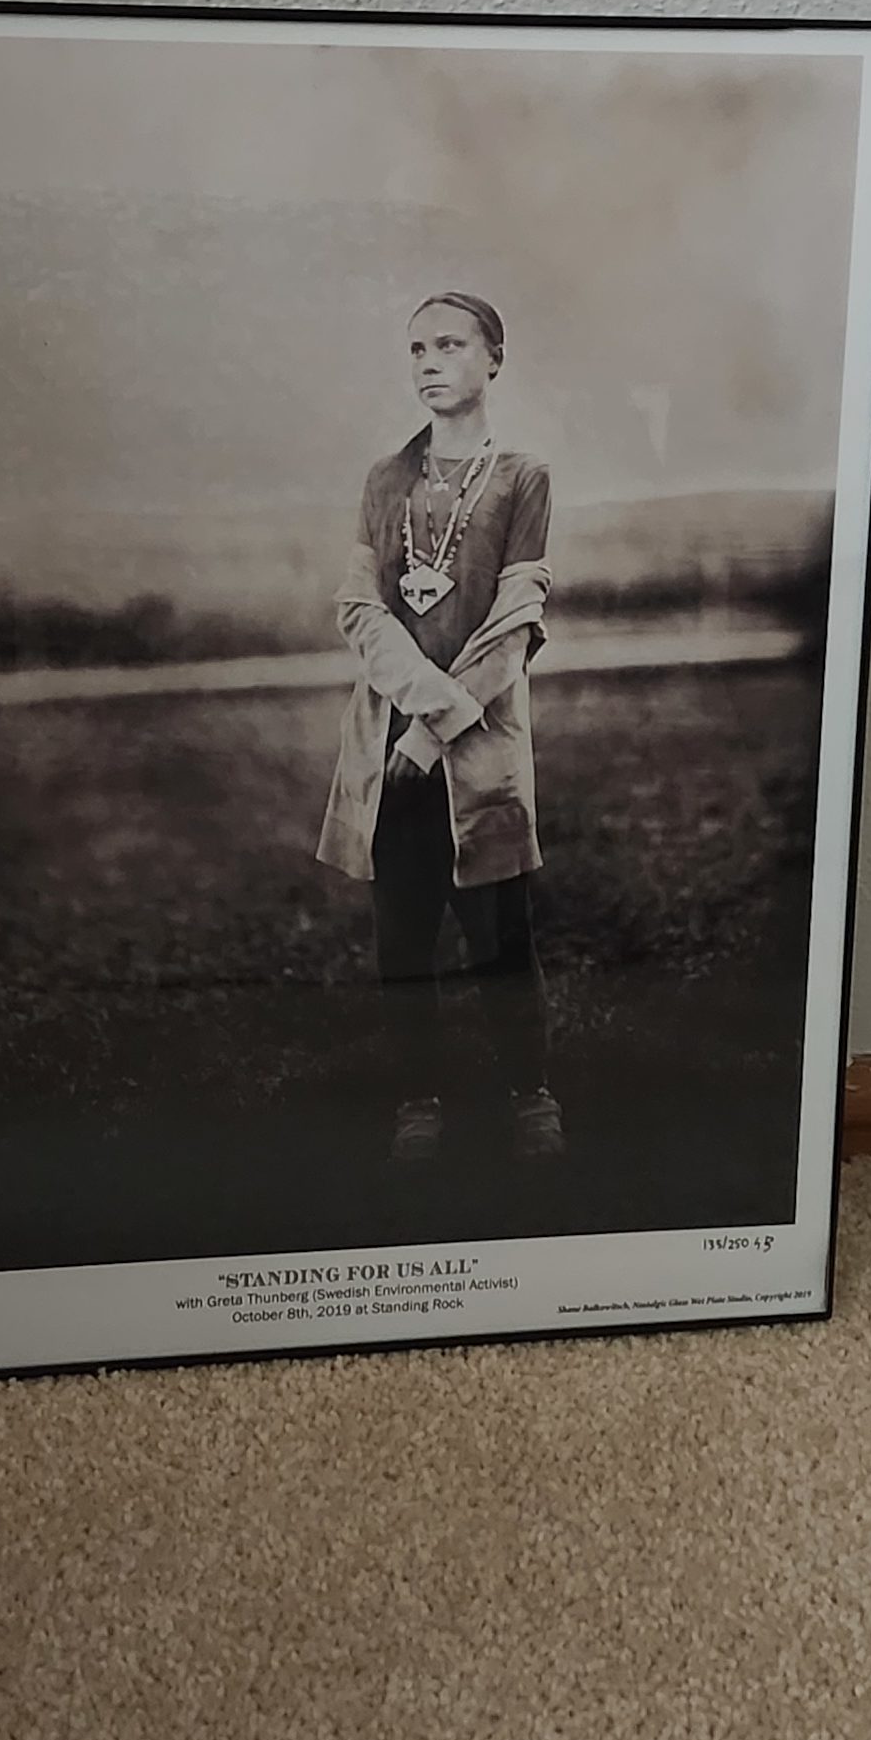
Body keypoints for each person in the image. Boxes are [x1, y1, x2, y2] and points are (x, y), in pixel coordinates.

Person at [317, 291, 563, 1162]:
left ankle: (530, 1095)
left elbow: (515, 626)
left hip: (481, 754)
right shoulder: (386, 480)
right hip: (390, 750)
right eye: (417, 349)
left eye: (450, 345)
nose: (429, 362)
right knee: (404, 936)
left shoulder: (523, 477)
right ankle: (417, 1101)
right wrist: (415, 718)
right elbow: (360, 609)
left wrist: (438, 732)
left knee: (502, 938)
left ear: (494, 358)